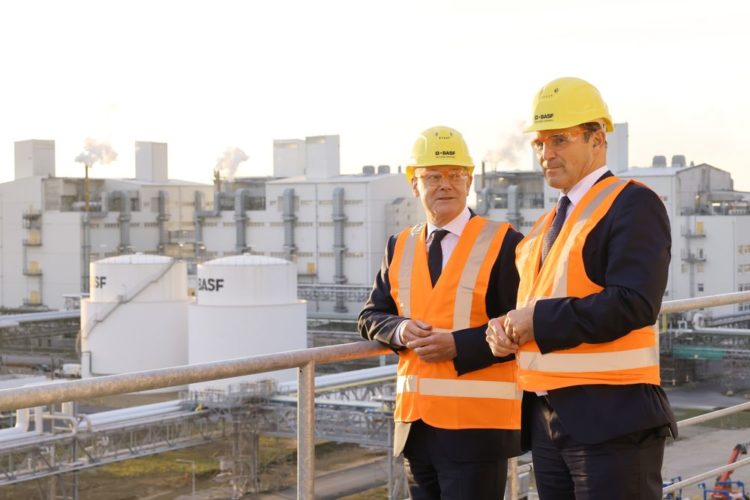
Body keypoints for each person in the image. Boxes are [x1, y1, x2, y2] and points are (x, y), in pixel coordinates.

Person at [486, 77, 677, 499]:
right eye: (539, 143)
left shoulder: (632, 202)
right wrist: (505, 333)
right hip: (547, 418)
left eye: (559, 139)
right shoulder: (544, 226)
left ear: (597, 139)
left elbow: (634, 303)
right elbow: (536, 304)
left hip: (612, 419)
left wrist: (535, 320)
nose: (545, 154)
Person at [359, 125, 523, 499]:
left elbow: (520, 329)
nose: (444, 185)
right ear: (414, 185)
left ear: (470, 183)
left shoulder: (505, 242)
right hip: (416, 429)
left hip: (477, 432)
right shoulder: (399, 245)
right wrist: (400, 331)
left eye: (455, 175)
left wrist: (458, 345)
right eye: (432, 176)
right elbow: (370, 316)